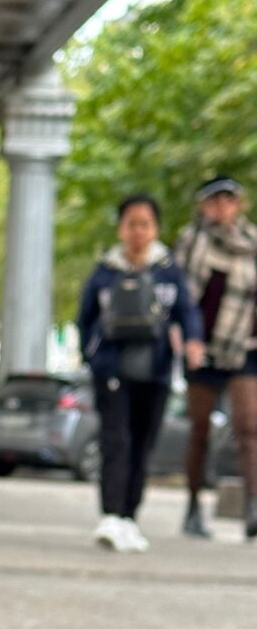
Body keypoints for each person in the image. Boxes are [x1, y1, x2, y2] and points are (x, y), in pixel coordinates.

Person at [78, 193, 204, 553]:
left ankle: (130, 517)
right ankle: (111, 515)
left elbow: (187, 312)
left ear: (155, 229)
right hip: (112, 371)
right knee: (115, 441)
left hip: (156, 371)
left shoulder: (168, 270)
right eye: (131, 223)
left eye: (145, 224)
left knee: (142, 444)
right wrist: (92, 357)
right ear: (121, 228)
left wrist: (193, 342)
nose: (138, 231)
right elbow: (85, 318)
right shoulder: (104, 271)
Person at [173, 177, 257, 539]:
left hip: (243, 347)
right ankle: (193, 506)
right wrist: (182, 339)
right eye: (214, 200)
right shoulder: (191, 242)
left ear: (239, 204)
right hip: (201, 348)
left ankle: (253, 507)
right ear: (203, 205)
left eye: (228, 200)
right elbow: (179, 295)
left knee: (249, 427)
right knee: (200, 430)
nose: (221, 207)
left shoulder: (253, 243)